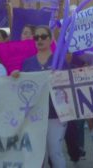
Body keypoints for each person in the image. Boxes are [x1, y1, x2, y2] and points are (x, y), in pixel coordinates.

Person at [21, 25, 67, 168]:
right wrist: (16, 76)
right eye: (36, 37)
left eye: (43, 37)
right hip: (35, 115)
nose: (39, 40)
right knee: (37, 154)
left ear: (50, 39)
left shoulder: (59, 61)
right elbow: (23, 86)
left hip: (56, 114)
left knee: (55, 152)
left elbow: (69, 85)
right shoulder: (28, 62)